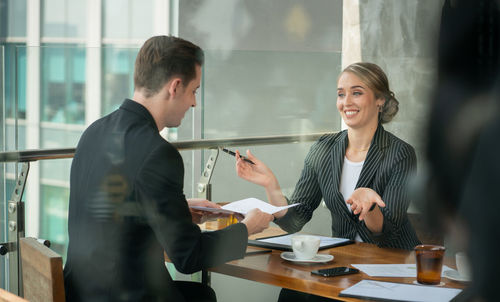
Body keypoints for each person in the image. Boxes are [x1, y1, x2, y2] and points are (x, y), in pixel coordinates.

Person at [63, 35, 273, 302]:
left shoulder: (94, 132)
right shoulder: (158, 153)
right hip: (129, 294)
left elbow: (113, 214)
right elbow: (188, 257)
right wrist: (247, 228)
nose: (194, 103)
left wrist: (177, 210)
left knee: (201, 295)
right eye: (194, 91)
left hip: (81, 292)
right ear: (174, 87)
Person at [235, 62, 421, 301]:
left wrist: (371, 206)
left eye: (357, 92)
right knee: (292, 295)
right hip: (344, 264)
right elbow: (295, 219)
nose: (346, 102)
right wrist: (271, 185)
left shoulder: (400, 154)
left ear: (379, 100)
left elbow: (387, 235)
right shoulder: (324, 149)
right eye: (341, 94)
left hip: (392, 265)